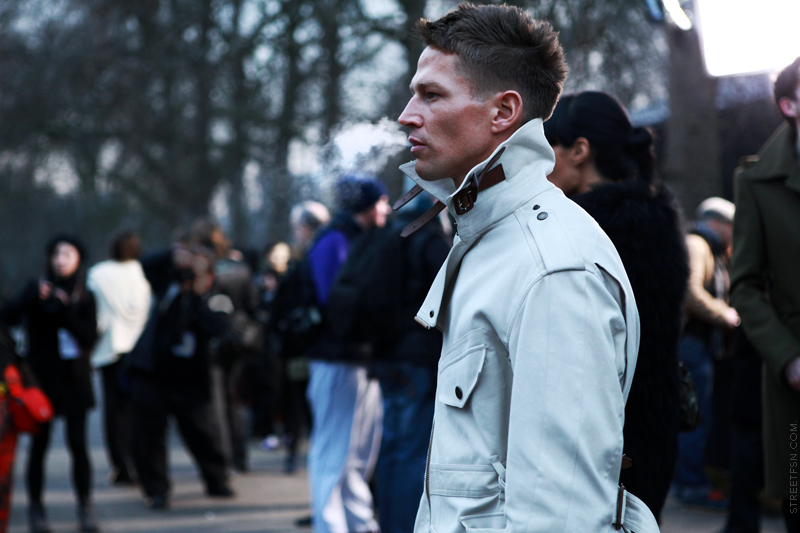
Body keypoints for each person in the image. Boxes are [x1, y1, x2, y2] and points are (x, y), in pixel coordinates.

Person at [396, 4, 655, 532]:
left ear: (503, 111)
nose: (407, 114)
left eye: (431, 94)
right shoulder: (491, 238)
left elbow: (562, 514)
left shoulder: (553, 268)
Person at [543, 90, 689, 521]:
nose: (540, 162)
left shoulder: (581, 231)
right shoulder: (660, 218)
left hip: (600, 437)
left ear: (579, 150)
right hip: (654, 424)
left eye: (549, 147)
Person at [730, 55, 800, 533]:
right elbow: (745, 286)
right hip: (795, 380)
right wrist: (787, 358)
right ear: (789, 105)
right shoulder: (756, 182)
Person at [305, 175, 389, 533]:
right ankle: (331, 525)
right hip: (337, 358)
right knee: (334, 450)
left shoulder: (349, 237)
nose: (387, 208)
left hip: (354, 358)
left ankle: (357, 522)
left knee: (357, 453)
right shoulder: (336, 239)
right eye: (382, 201)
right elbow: (334, 304)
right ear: (367, 205)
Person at [0, 235, 100, 533]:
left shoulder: (84, 295)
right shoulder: (36, 290)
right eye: (57, 254)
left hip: (75, 380)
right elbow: (7, 318)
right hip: (41, 380)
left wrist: (66, 310)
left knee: (78, 446)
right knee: (39, 448)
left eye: (68, 254)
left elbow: (88, 337)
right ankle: (36, 509)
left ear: (79, 259)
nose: (61, 260)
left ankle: (85, 506)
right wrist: (30, 297)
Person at [128, 246, 234, 510]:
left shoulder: (217, 297)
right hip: (154, 372)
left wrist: (198, 295)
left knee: (203, 432)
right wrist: (172, 254)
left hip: (191, 378)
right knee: (149, 434)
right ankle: (156, 489)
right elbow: (147, 263)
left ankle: (217, 479)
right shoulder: (169, 286)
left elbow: (218, 326)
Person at [372, 189, 450, 533]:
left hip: (385, 355)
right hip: (417, 357)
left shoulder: (385, 238)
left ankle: (389, 522)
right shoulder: (429, 241)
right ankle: (406, 526)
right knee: (413, 449)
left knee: (391, 445)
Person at [673, 197, 738, 508]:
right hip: (692, 344)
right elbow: (690, 292)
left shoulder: (711, 249)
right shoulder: (697, 244)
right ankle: (691, 485)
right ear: (718, 224)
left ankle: (691, 480)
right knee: (695, 416)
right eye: (731, 228)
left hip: (699, 345)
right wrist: (726, 315)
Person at [87, 230, 152, 486]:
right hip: (139, 350)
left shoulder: (98, 274)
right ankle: (139, 461)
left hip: (110, 349)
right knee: (138, 409)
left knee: (115, 413)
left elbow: (97, 317)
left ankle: (121, 465)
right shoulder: (143, 272)